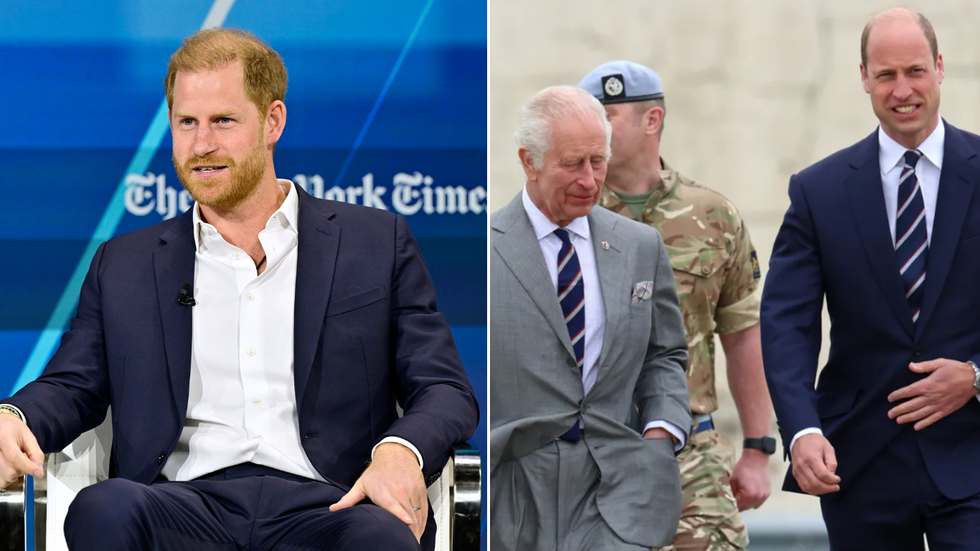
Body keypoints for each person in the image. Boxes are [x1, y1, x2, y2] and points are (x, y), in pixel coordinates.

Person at [0, 28, 478, 551]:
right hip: (182, 503)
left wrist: (400, 450)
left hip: (332, 504)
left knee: (380, 539)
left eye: (223, 121)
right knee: (104, 508)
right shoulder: (125, 263)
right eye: (187, 123)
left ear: (272, 121)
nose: (202, 145)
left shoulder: (375, 243)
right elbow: (73, 384)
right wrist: (12, 417)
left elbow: (445, 389)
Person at [762, 8, 980, 549]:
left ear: (940, 68)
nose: (902, 89)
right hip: (859, 460)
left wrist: (976, 375)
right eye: (886, 75)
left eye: (915, 71)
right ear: (864, 78)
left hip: (973, 453)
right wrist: (803, 430)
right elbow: (786, 322)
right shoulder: (819, 191)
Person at [578, 60, 773, 551]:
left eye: (607, 115)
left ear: (652, 120)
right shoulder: (568, 214)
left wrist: (757, 447)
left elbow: (743, 333)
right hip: (593, 454)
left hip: (692, 454)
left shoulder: (713, 215)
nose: (593, 128)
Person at [489, 85, 690, 551]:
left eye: (598, 161)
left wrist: (661, 433)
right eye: (572, 163)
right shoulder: (486, 247)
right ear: (529, 161)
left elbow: (666, 354)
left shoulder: (641, 246)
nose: (589, 179)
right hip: (512, 496)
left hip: (620, 495)